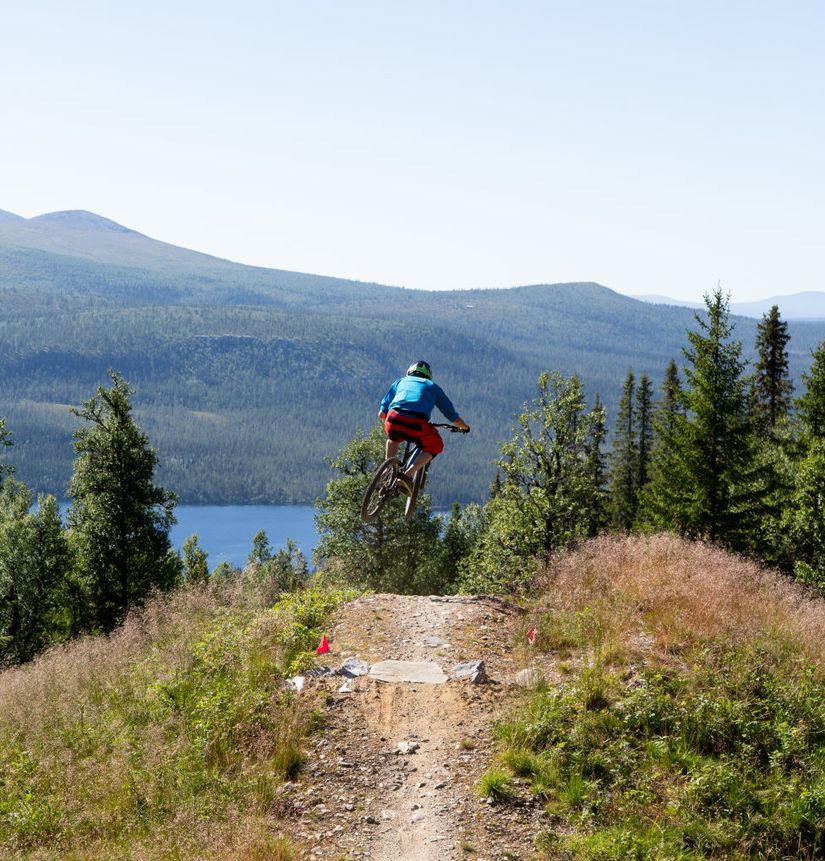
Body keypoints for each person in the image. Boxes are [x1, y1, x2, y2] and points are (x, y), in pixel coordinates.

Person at [378, 360, 470, 495]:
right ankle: (406, 476)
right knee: (436, 446)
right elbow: (451, 415)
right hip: (417, 423)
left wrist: (394, 423)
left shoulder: (400, 382)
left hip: (393, 418)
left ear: (409, 372)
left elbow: (381, 414)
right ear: (428, 375)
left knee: (392, 438)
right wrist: (465, 427)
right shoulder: (432, 387)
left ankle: (387, 470)